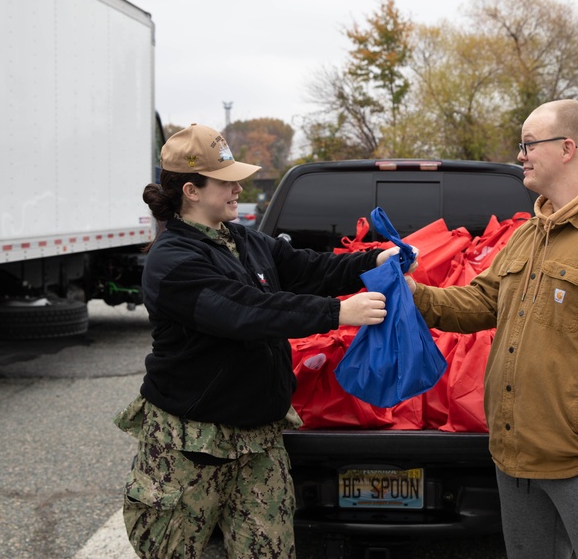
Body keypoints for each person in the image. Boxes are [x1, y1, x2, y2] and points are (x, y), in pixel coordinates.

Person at [114, 123, 401, 558]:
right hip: (193, 445)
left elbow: (307, 267)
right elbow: (245, 311)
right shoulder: (172, 261)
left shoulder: (241, 238)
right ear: (191, 190)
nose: (238, 188)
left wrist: (372, 259)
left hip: (260, 441)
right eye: (226, 181)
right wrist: (337, 313)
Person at [407, 100, 578, 558]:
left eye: (529, 144)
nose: (520, 156)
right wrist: (409, 294)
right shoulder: (531, 234)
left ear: (567, 147)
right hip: (517, 458)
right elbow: (480, 302)